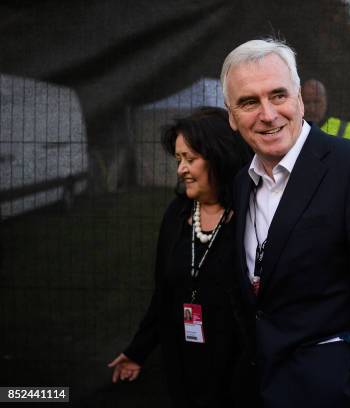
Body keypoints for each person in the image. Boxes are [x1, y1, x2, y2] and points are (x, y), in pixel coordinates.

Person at [222, 39, 350, 408]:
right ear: (231, 116)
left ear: (299, 99)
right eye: (249, 102)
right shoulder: (241, 183)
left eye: (278, 95)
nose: (267, 114)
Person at [108, 107, 252, 407]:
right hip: (183, 366)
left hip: (239, 374)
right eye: (178, 159)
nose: (180, 170)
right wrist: (138, 350)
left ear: (219, 157)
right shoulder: (177, 214)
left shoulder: (252, 218)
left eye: (190, 159)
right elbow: (163, 293)